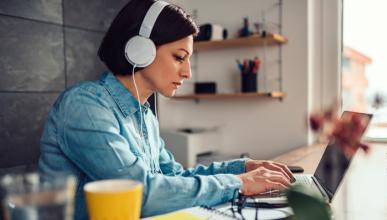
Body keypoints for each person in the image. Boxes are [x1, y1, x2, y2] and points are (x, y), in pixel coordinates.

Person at [38, 0, 294, 219]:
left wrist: (243, 167)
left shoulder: (145, 115)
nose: (187, 72)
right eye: (179, 57)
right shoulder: (85, 106)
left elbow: (174, 178)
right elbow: (141, 193)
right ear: (140, 50)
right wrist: (238, 184)